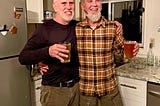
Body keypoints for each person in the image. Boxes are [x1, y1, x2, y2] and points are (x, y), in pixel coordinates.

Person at [19, 0, 123, 106]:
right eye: (64, 3)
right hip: (55, 91)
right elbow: (23, 57)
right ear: (55, 7)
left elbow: (95, 24)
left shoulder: (77, 26)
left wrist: (115, 24)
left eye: (71, 3)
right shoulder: (44, 28)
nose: (68, 7)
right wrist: (47, 52)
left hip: (77, 89)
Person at [75, 0, 138, 106]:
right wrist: (43, 61)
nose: (94, 4)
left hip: (109, 92)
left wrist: (133, 49)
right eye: (90, 1)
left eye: (98, 1)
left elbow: (123, 52)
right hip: (86, 93)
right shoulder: (76, 29)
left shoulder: (112, 27)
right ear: (82, 6)